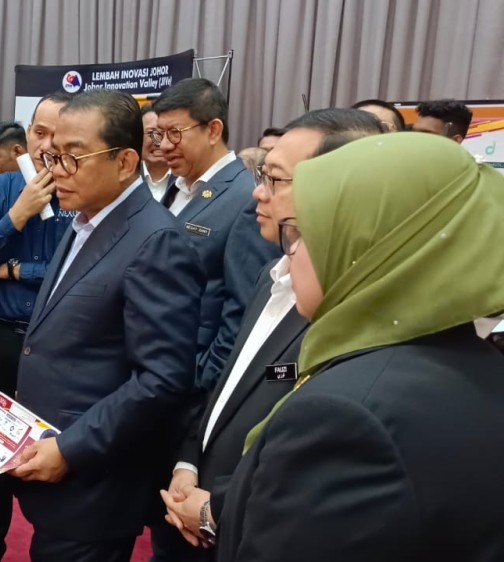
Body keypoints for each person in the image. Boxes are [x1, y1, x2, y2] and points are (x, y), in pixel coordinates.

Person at [214, 133, 504, 562]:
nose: (290, 253)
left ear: (372, 249)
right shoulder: (474, 362)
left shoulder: (345, 416)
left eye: (305, 233)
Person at [154, 109, 385, 562]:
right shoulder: (273, 276)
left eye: (276, 180)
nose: (258, 192)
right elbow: (231, 382)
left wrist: (219, 508)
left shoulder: (348, 312)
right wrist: (188, 462)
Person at [11, 90, 205, 562]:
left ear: (125, 162)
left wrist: (72, 449)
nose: (57, 169)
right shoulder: (85, 219)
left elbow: (162, 380)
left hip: (91, 478)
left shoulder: (155, 241)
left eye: (75, 157)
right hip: (54, 459)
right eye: (54, 155)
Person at [0, 108, 75, 562]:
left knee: (61, 448)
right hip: (0, 337)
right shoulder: (0, 187)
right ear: (26, 137)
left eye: (60, 135)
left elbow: (77, 273)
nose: (47, 145)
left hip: (63, 343)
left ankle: (58, 544)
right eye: (39, 133)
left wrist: (13, 269)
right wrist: (18, 215)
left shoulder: (87, 192)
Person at [153, 78, 280, 392]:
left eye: (174, 133)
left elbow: (243, 309)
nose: (164, 145)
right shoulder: (176, 186)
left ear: (212, 130)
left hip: (188, 377)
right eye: (159, 134)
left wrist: (204, 378)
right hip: (152, 365)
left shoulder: (244, 199)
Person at [141, 104, 173, 200]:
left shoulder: (189, 179)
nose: (159, 142)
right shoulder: (125, 180)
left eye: (163, 132)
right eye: (151, 133)